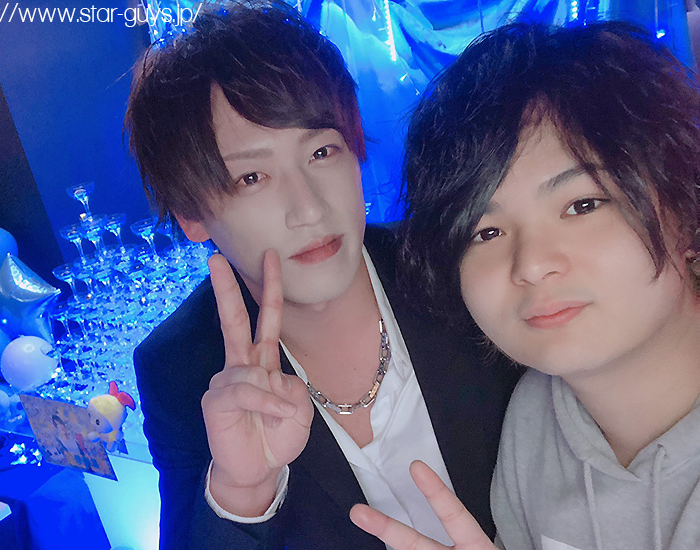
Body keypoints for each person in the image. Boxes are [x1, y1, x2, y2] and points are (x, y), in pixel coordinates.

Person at [125, 2, 520, 549]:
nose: (309, 209)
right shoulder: (182, 367)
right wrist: (242, 492)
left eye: (321, 151)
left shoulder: (450, 263)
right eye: (251, 177)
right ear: (191, 214)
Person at [350, 20, 700, 550]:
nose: (531, 265)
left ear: (686, 208)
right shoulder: (535, 418)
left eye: (582, 205)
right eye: (485, 232)